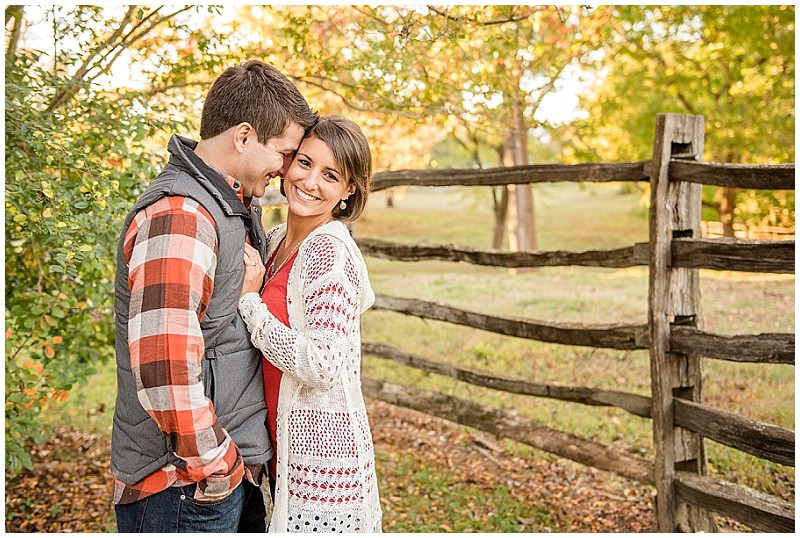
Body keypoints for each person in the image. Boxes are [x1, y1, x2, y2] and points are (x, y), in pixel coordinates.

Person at [110, 60, 318, 533]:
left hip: (221, 478)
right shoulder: (180, 215)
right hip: (183, 488)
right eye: (284, 153)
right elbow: (164, 364)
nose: (288, 170)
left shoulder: (233, 205)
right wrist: (217, 464)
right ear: (243, 137)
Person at [238, 115, 382, 532]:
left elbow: (321, 364)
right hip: (283, 450)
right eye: (304, 162)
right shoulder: (279, 239)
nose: (310, 181)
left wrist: (251, 304)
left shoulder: (329, 255)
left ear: (348, 190)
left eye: (330, 175)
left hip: (323, 459)